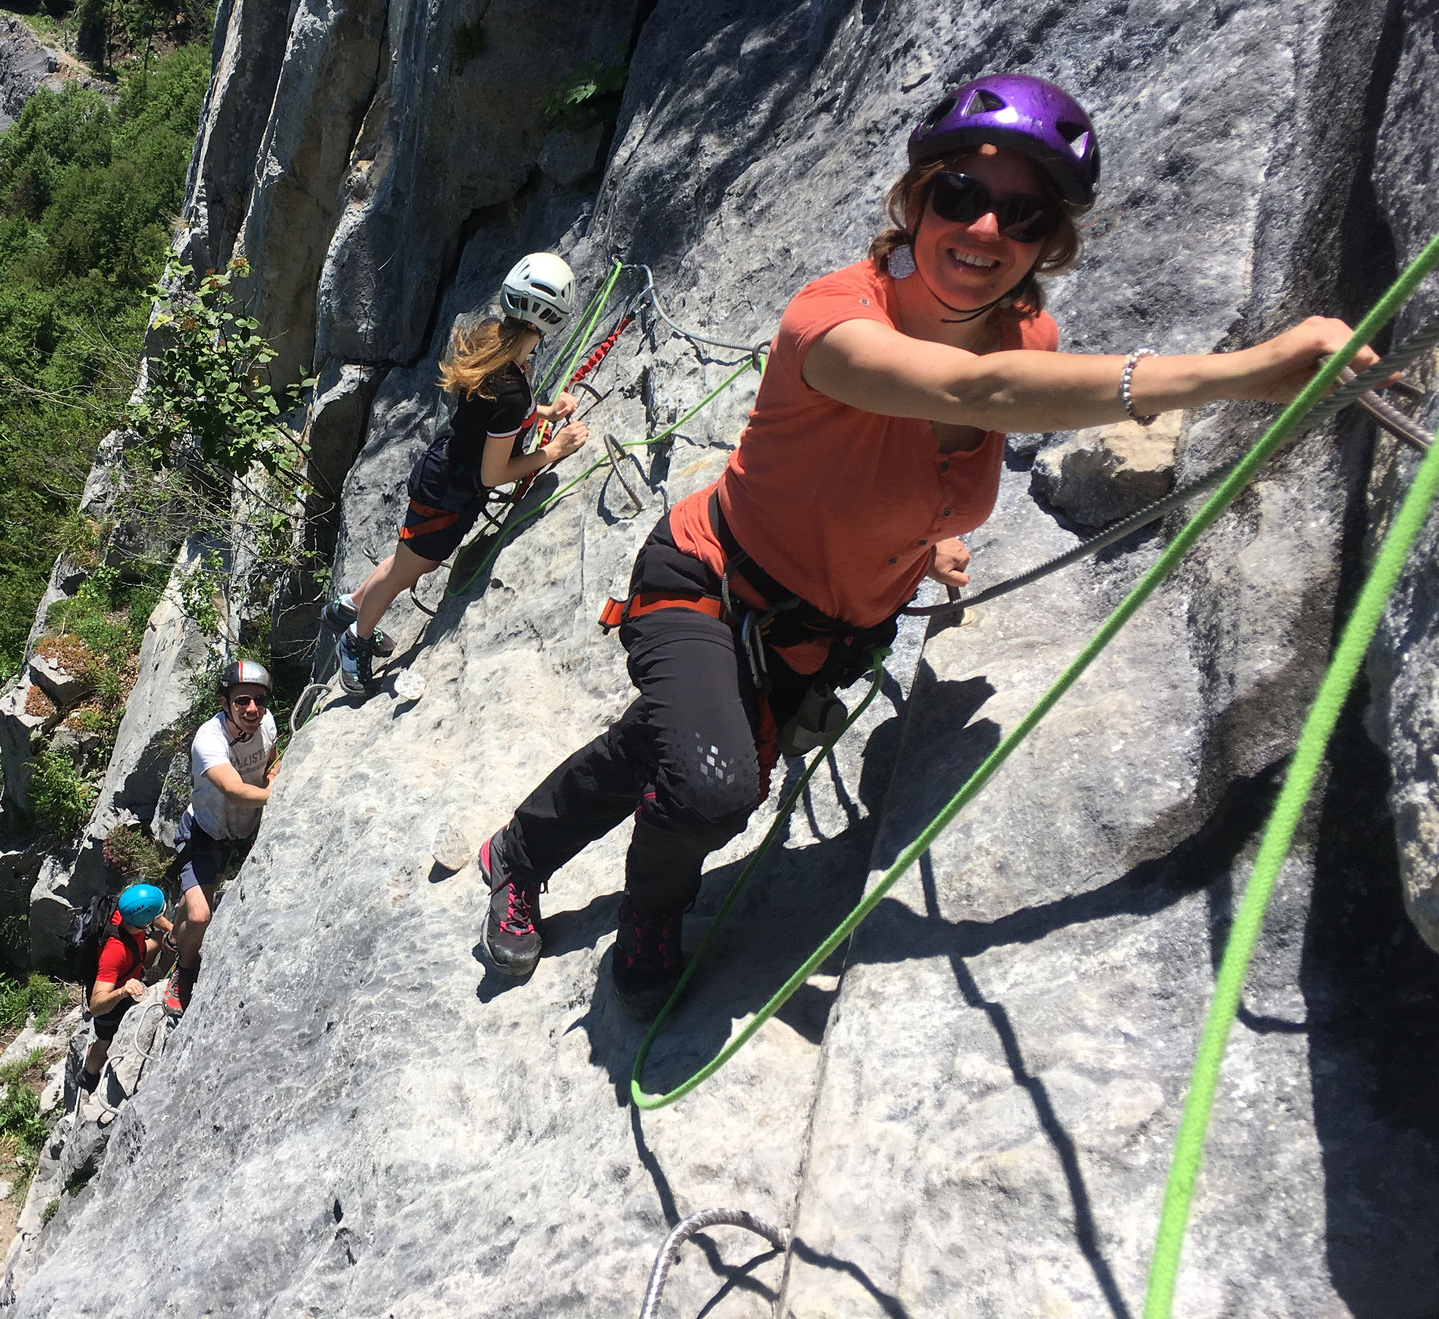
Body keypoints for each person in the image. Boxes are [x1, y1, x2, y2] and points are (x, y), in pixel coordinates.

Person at [474, 73, 1387, 1018]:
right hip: (709, 583)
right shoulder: (829, 320)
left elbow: (930, 458)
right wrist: (1241, 375)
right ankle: (651, 916)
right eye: (960, 195)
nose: (987, 230)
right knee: (712, 788)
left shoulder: (1029, 329)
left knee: (663, 750)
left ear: (1048, 243)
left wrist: (922, 546)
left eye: (1023, 214)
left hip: (817, 631)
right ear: (914, 200)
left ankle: (521, 851)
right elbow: (968, 395)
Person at [331, 253, 593, 694]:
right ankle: (354, 641)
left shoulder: (493, 338)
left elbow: (493, 415)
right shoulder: (510, 383)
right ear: (550, 320)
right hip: (449, 494)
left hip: (443, 477)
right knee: (405, 572)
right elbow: (494, 474)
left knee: (407, 560)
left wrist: (543, 410)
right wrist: (553, 450)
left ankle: (351, 604)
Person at [167, 659, 281, 1013]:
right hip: (205, 832)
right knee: (200, 915)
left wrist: (275, 777)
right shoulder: (209, 740)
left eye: (259, 701)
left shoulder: (267, 725)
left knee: (193, 908)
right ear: (224, 703)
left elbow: (271, 761)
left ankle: (175, 934)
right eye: (242, 700)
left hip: (246, 829)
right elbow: (232, 789)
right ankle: (183, 969)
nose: (252, 709)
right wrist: (281, 795)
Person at [74, 882, 170, 1099]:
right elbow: (96, 1007)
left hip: (132, 962)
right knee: (104, 1042)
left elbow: (152, 917)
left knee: (162, 940)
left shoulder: (125, 911)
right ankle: (87, 1077)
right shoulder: (114, 953)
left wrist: (175, 931)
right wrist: (123, 991)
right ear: (142, 921)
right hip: (113, 1001)